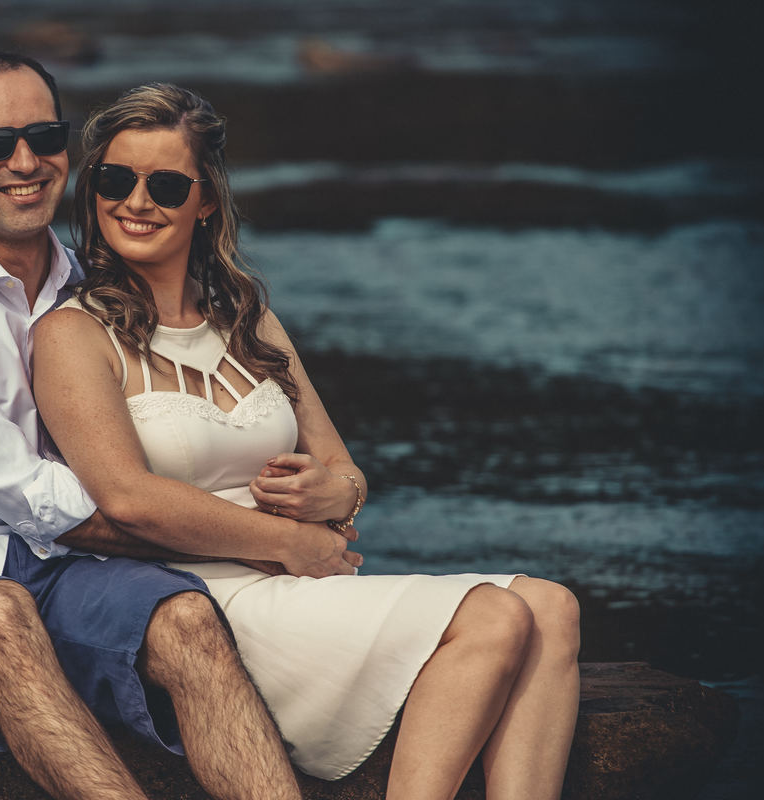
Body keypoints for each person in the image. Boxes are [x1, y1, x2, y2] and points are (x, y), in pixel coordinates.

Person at [32, 82, 582, 798]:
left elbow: (343, 469)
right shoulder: (74, 334)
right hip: (202, 600)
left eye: (165, 185)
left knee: (554, 608)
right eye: (115, 180)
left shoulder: (245, 317)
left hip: (300, 584)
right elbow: (128, 499)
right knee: (494, 617)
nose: (136, 202)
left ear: (206, 201)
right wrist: (290, 542)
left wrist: (336, 495)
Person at [0, 54, 337, 800]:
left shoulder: (93, 288)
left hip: (62, 568)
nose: (24, 162)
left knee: (187, 617)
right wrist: (271, 538)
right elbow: (39, 500)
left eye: (43, 136)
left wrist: (328, 492)